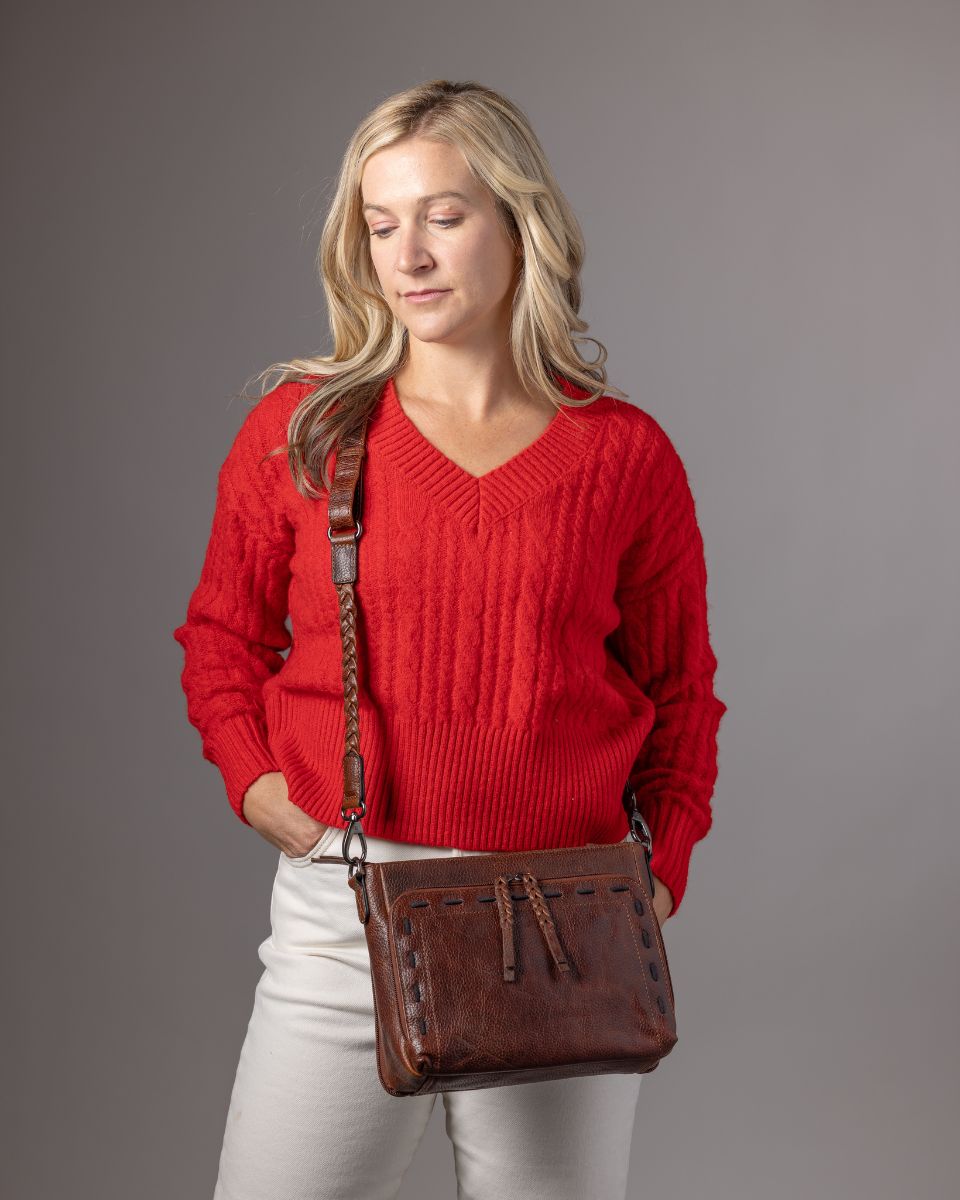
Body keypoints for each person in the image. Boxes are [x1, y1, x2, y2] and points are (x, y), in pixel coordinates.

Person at [173, 78, 727, 1200]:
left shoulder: (624, 456)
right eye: (382, 225)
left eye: (443, 215)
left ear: (519, 223)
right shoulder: (306, 432)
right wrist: (256, 783)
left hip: (560, 919)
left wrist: (658, 869)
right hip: (347, 908)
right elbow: (221, 634)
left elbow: (681, 690)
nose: (409, 256)